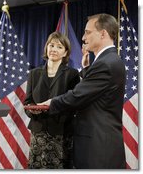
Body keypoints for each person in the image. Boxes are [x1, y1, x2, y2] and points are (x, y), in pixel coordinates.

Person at [39, 14, 126, 169]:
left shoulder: (106, 63)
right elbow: (96, 92)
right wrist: (86, 69)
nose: (83, 37)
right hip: (100, 144)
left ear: (103, 33)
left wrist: (51, 102)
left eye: (87, 32)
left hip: (98, 148)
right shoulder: (109, 60)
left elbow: (78, 96)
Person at [24, 31, 80, 169]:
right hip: (39, 132)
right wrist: (33, 111)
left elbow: (73, 103)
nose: (54, 49)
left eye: (59, 47)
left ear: (66, 53)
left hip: (61, 132)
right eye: (51, 45)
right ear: (46, 48)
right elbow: (28, 101)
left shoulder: (72, 74)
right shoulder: (34, 73)